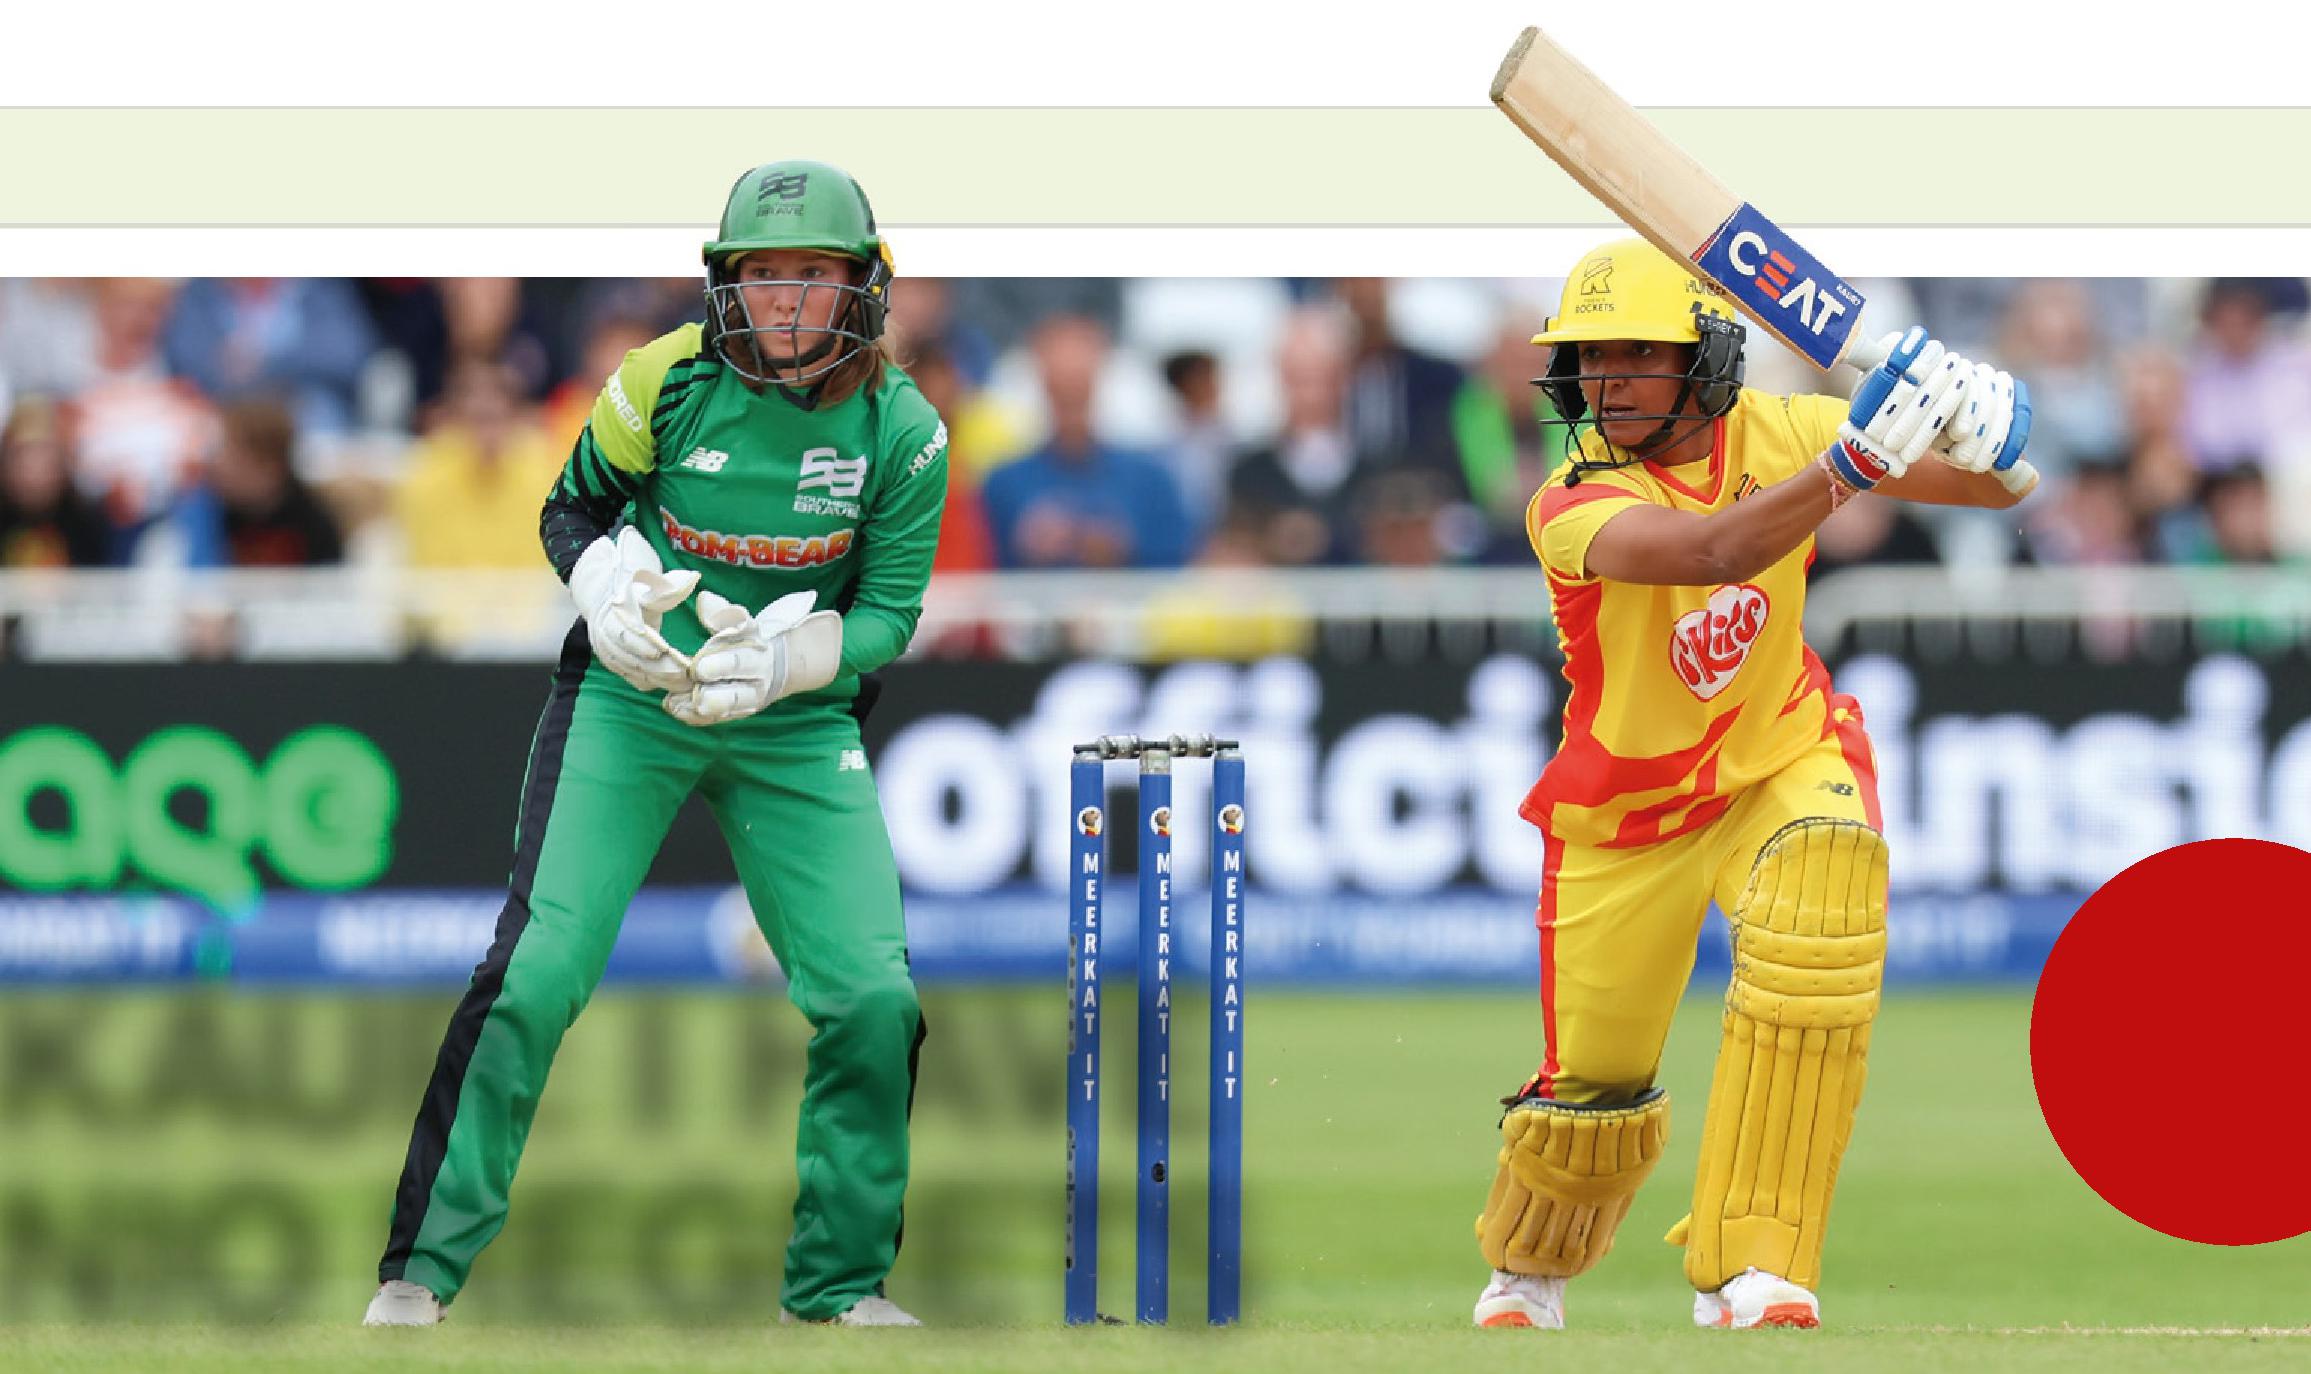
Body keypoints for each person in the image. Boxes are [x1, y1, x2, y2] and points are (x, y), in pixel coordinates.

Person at [363, 159, 948, 1331]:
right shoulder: (664, 378)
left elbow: (889, 612)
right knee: (536, 972)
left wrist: (791, 660)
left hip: (792, 723)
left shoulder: (905, 431)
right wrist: (604, 591)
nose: (787, 300)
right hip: (631, 698)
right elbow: (568, 508)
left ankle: (838, 1286)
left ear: (864, 286)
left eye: (814, 273)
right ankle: (417, 1271)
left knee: (874, 998)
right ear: (727, 282)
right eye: (764, 273)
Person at [1469, 238, 2035, 1333]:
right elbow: (1710, 554)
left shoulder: (1783, 429)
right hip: (1626, 817)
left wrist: (1985, 418)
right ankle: (1531, 1264)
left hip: (1779, 753)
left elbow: (1993, 488)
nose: (1608, 381)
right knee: (1596, 1078)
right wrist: (1850, 467)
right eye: (1591, 357)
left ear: (1707, 356)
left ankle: (1758, 1264)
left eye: (1639, 353)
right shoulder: (1569, 500)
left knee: (1821, 923)